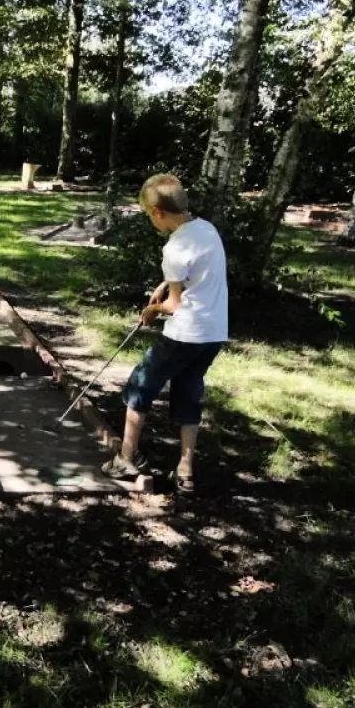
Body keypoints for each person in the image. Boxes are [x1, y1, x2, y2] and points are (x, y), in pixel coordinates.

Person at [104, 174, 228, 493]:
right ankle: (185, 471)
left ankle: (126, 458)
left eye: (148, 215)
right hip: (213, 334)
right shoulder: (207, 230)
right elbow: (196, 278)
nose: (151, 221)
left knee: (139, 386)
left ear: (158, 212)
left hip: (184, 335)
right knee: (189, 390)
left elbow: (173, 305)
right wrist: (163, 285)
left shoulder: (174, 247)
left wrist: (152, 310)